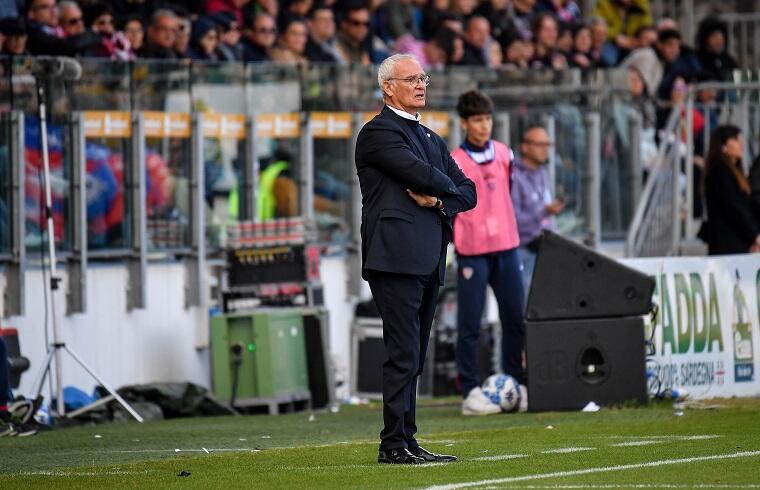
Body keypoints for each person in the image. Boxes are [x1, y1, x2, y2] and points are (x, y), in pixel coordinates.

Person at [355, 53, 476, 464]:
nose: (421, 85)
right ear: (388, 87)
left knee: (415, 355)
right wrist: (447, 192)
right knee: (403, 352)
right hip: (394, 257)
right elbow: (422, 176)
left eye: (423, 77)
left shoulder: (430, 138)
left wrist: (442, 200)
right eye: (411, 79)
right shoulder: (378, 133)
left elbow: (468, 191)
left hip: (428, 258)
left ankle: (406, 439)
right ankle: (392, 443)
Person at [450, 90, 527, 416]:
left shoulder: (505, 154)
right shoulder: (455, 160)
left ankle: (517, 382)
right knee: (470, 324)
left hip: (507, 247)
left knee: (515, 320)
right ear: (465, 123)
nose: (484, 126)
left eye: (487, 119)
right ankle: (470, 389)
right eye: (477, 120)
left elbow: (506, 193)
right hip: (472, 250)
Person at [512, 125, 564, 297]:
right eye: (540, 144)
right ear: (525, 146)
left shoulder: (542, 172)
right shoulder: (514, 176)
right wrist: (544, 211)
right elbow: (514, 221)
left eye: (548, 145)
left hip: (548, 249)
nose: (545, 149)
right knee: (526, 307)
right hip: (526, 251)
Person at [703, 125, 760, 255]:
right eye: (736, 140)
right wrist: (755, 236)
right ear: (723, 144)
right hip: (729, 249)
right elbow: (734, 207)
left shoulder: (735, 172)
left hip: (740, 245)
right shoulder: (719, 171)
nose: (742, 144)